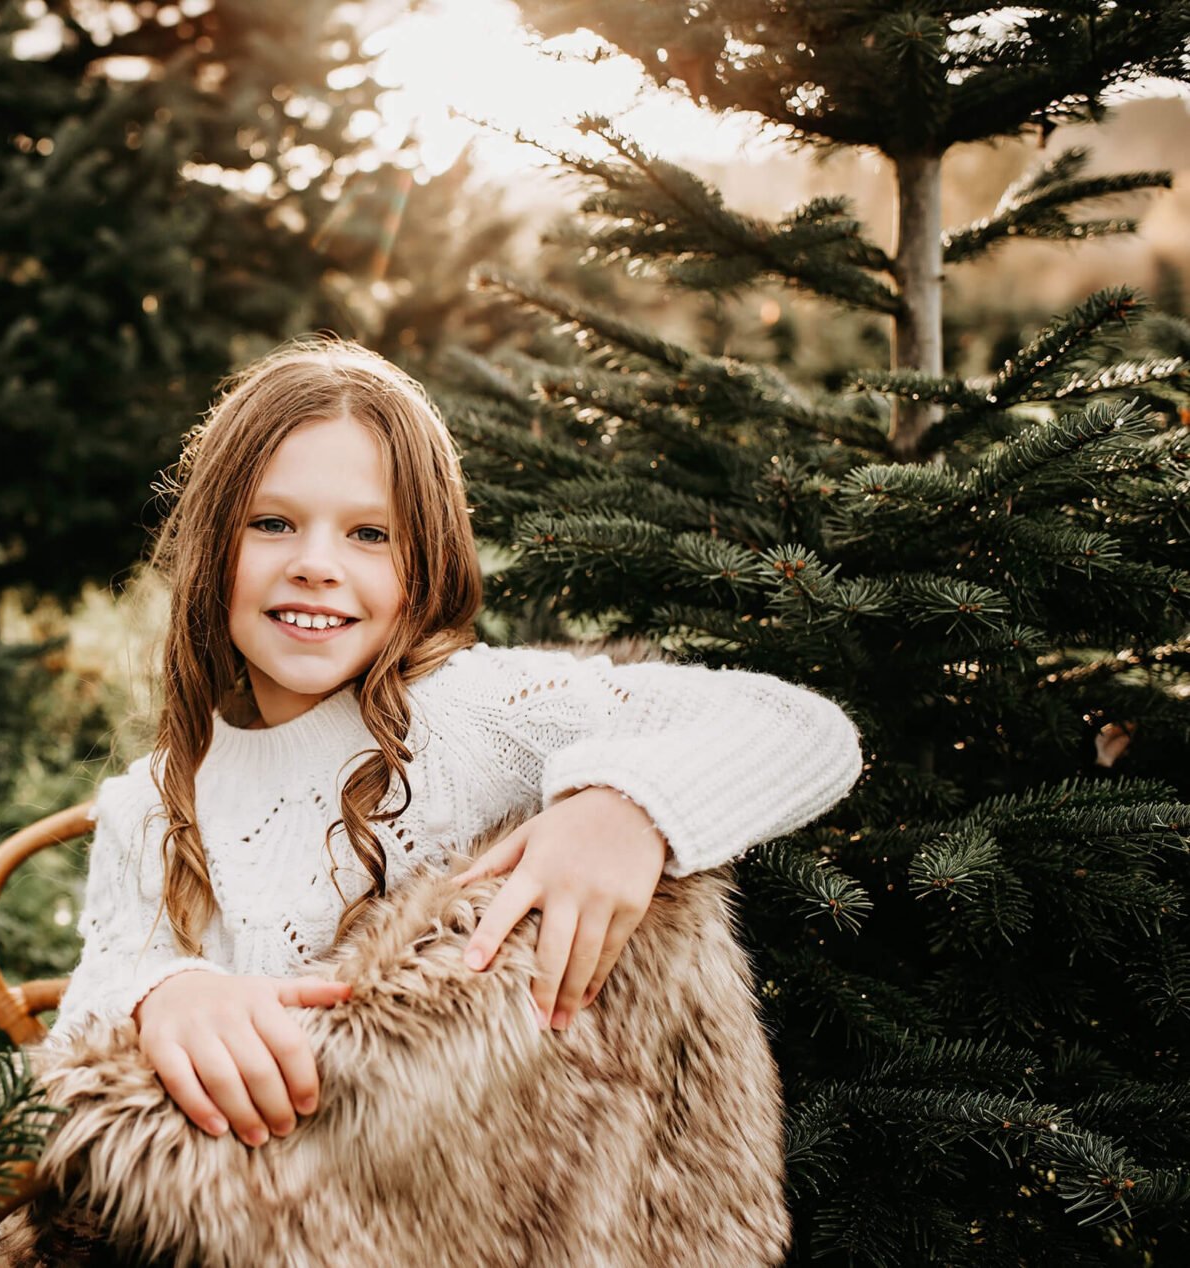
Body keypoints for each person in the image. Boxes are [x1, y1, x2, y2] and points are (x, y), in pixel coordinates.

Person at [43, 335, 864, 1158]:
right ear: (211, 545)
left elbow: (804, 728)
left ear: (425, 562)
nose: (316, 565)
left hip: (466, 1197)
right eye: (272, 523)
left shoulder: (476, 712)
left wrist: (625, 807)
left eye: (370, 534)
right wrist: (165, 994)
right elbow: (82, 1014)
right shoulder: (151, 804)